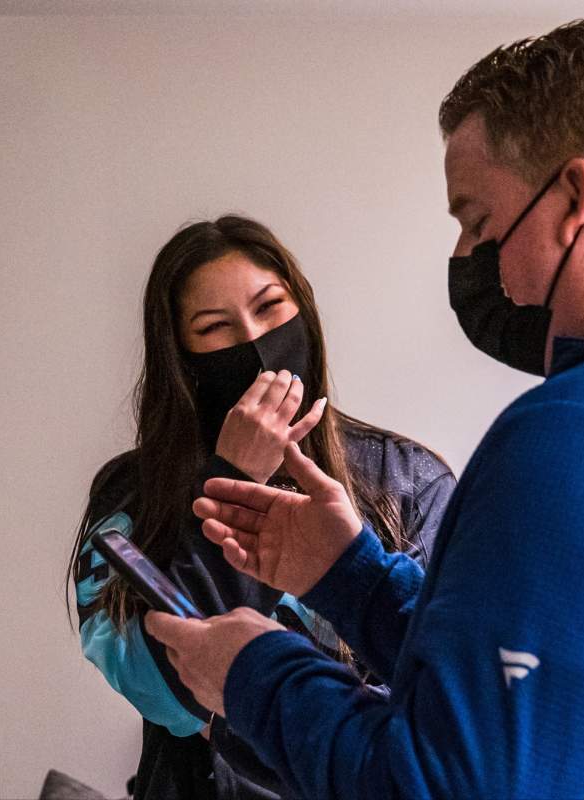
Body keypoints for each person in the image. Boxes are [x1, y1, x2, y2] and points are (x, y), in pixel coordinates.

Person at [145, 17, 584, 799]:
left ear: (573, 198)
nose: (471, 260)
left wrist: (254, 671)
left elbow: (443, 787)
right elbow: (568, 692)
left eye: (478, 221)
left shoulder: (583, 439)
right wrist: (357, 581)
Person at [65, 215, 455, 799]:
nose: (253, 340)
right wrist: (231, 479)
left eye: (270, 308)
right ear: (180, 354)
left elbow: (448, 688)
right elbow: (168, 687)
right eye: (215, 327)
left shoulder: (409, 480)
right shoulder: (128, 497)